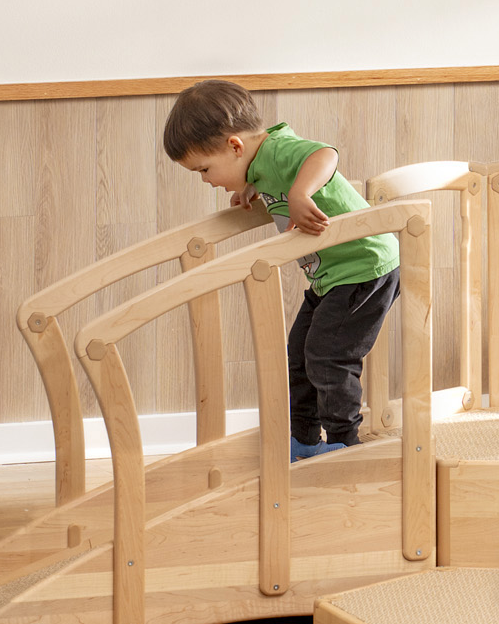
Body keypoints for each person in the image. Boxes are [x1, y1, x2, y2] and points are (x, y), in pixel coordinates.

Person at [162, 80, 401, 460]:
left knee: (327, 357)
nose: (206, 180)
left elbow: (324, 155)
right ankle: (303, 440)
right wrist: (252, 186)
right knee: (299, 357)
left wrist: (299, 193)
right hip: (331, 277)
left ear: (235, 147)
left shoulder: (277, 150)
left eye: (204, 169)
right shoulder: (261, 167)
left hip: (363, 266)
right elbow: (274, 175)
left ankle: (346, 444)